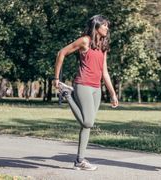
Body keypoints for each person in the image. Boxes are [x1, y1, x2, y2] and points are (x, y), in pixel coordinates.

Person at [53, 15, 118, 171]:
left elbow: (105, 73)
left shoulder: (103, 45)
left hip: (96, 88)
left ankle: (79, 161)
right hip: (83, 84)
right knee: (88, 122)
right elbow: (61, 53)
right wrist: (56, 78)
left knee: (87, 126)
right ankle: (67, 94)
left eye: (107, 26)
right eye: (104, 25)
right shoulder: (84, 41)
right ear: (96, 26)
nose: (107, 28)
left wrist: (113, 94)